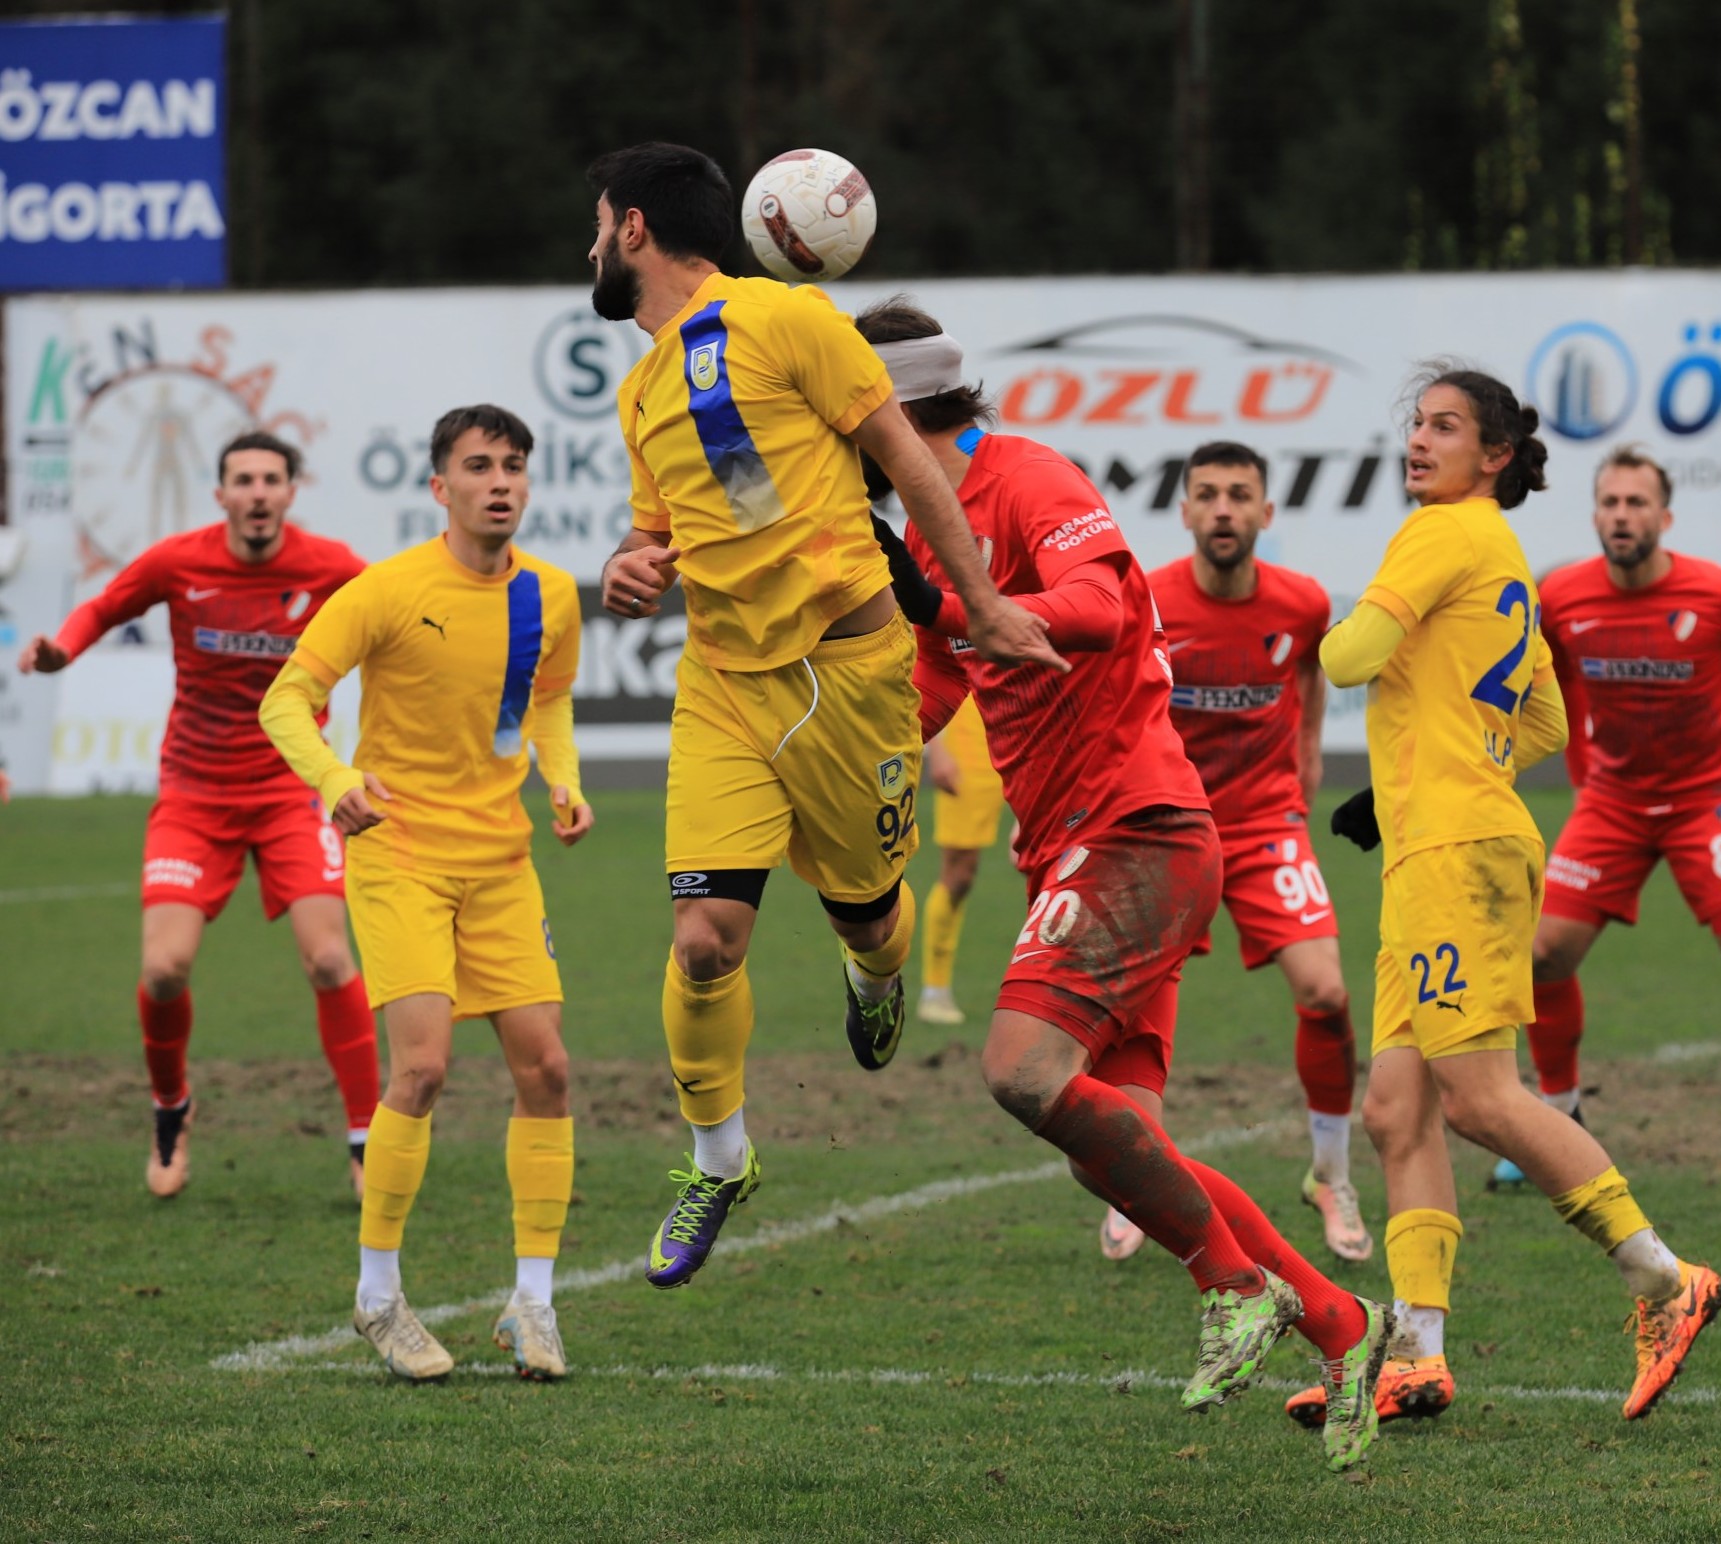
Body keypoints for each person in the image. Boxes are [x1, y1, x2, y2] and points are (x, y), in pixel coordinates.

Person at [861, 296, 1393, 1473]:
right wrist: (836, 755)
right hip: (1080, 840)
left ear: (888, 409)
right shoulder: (924, 516)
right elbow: (933, 685)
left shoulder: (1025, 478)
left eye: (842, 408)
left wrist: (943, 603)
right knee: (1115, 1138)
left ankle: (1231, 1279)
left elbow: (1098, 610)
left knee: (1017, 1068)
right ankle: (1341, 1323)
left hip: (1138, 825)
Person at [582, 144, 1061, 1287]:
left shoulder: (787, 321)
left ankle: (878, 971)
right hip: (722, 689)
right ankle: (718, 1156)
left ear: (635, 228)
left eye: (595, 226)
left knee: (868, 920)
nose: (588, 249)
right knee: (704, 940)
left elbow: (903, 452)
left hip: (850, 680)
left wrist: (981, 608)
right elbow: (666, 530)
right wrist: (633, 563)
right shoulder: (637, 389)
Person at [1286, 367, 1721, 1437]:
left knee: (1479, 1097)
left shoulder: (1441, 533)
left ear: (1491, 456)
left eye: (1444, 426)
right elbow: (1534, 727)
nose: (1419, 442)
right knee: (1396, 1108)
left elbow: (1348, 653)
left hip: (1453, 853)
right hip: (1438, 842)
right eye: (1415, 425)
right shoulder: (1501, 554)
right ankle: (1418, 1356)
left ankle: (1664, 1279)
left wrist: (1327, 634)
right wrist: (1423, 774)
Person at [259, 405, 589, 1383]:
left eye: (514, 465)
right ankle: (377, 1295)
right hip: (398, 851)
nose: (501, 481)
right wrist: (334, 781)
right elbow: (287, 696)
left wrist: (560, 776)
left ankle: (533, 1301)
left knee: (550, 1070)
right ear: (439, 486)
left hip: (501, 860)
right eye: (478, 465)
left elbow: (548, 700)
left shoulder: (551, 593)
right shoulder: (388, 589)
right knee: (425, 1070)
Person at [18, 431, 376, 1200]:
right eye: (242, 480)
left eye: (269, 480)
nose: (256, 492)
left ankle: (363, 1137)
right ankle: (171, 1108)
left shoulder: (330, 566)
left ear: (289, 492)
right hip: (194, 792)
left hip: (291, 790)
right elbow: (106, 606)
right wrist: (63, 651)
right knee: (163, 969)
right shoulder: (179, 561)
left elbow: (399, 618)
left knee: (329, 959)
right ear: (220, 495)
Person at [1497, 445, 1721, 1205]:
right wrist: (1585, 771)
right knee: (1543, 956)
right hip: (1614, 804)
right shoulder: (1561, 595)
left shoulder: (1717, 592)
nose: (1622, 516)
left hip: (1707, 799)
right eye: (1610, 503)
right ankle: (1557, 1116)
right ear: (1594, 514)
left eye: (1636, 503)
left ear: (1664, 516)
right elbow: (1549, 679)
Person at [1109, 439, 1368, 1266]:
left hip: (1263, 826)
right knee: (1128, 1013)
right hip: (1163, 825)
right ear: (1184, 512)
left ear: (1265, 512)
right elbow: (1108, 707)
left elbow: (1308, 684)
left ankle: (1330, 1174)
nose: (1223, 508)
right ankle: (1130, 1182)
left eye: (1239, 495)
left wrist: (1306, 767)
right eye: (1208, 495)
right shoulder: (1145, 599)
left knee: (1327, 994)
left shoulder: (1299, 604)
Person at [916, 698, 1006, 1026]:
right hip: (969, 741)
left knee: (1049, 865)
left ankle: (1047, 993)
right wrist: (936, 748)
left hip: (1024, 731)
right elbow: (927, 660)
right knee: (959, 875)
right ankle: (935, 990)